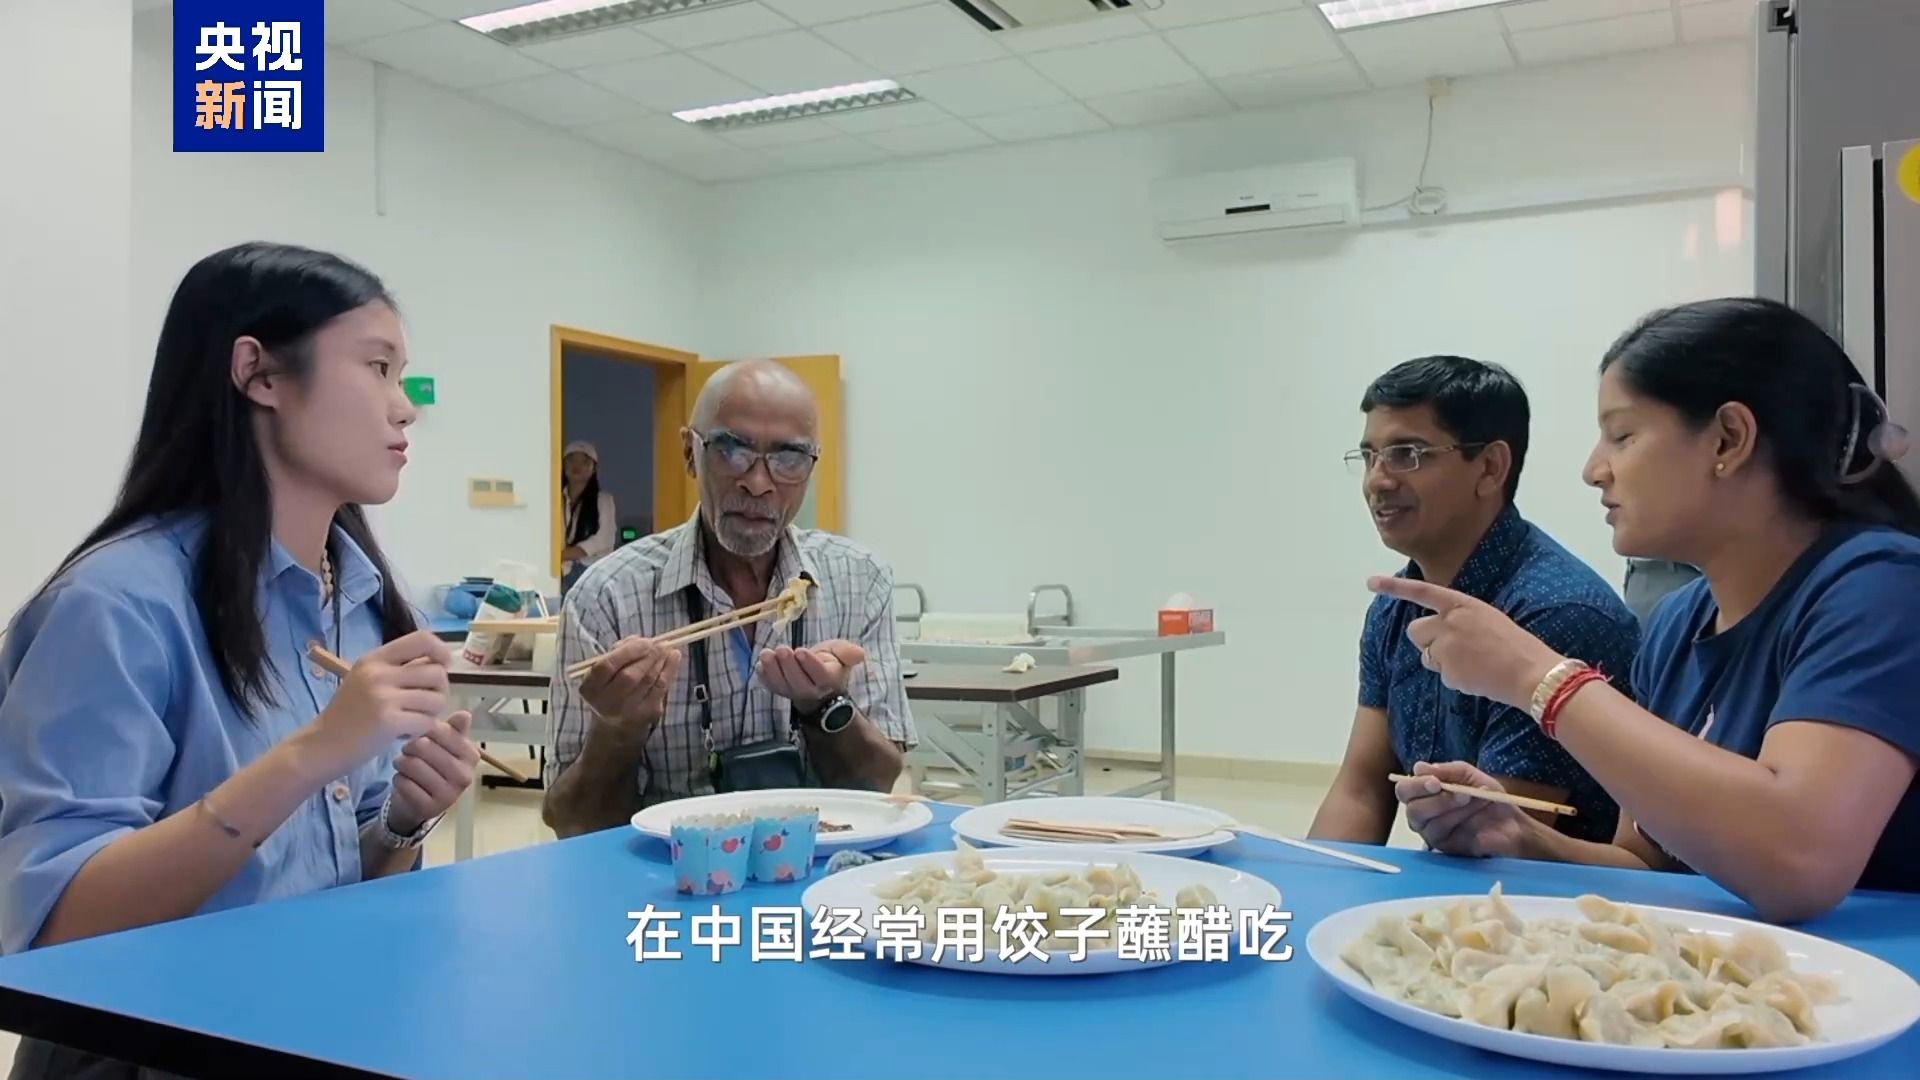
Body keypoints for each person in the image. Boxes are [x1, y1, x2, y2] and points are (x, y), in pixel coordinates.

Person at [0, 243, 477, 1076]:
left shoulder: (359, 599)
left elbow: (324, 883)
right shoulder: (116, 604)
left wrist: (401, 822)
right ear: (258, 373)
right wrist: (311, 754)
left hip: (309, 1032)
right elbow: (55, 925)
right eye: (377, 368)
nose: (406, 409)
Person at [1381, 298, 1920, 923]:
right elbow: (1649, 864)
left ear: (1729, 438)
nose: (1594, 469)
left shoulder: (1880, 585)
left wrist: (1541, 680)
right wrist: (1518, 837)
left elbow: (1800, 861)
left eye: (1623, 435)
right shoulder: (1676, 623)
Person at [541, 361, 915, 835]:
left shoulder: (859, 581)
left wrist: (824, 705)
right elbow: (572, 824)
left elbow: (877, 787)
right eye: (732, 450)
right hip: (667, 871)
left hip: (820, 862)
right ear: (689, 453)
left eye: (789, 458)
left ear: (811, 467)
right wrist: (619, 732)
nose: (758, 482)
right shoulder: (607, 596)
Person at [1310, 356, 1640, 848]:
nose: (1377, 480)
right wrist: (1306, 886)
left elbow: (1493, 838)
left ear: (1489, 467)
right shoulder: (1394, 607)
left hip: (1545, 890)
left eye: (1406, 454)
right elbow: (1361, 790)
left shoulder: (1556, 612)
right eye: (1370, 456)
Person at [560, 439, 617, 592]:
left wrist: (562, 555)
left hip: (592, 573)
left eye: (585, 461)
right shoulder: (555, 500)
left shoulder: (604, 500)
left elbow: (603, 539)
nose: (577, 465)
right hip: (562, 572)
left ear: (593, 469)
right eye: (572, 460)